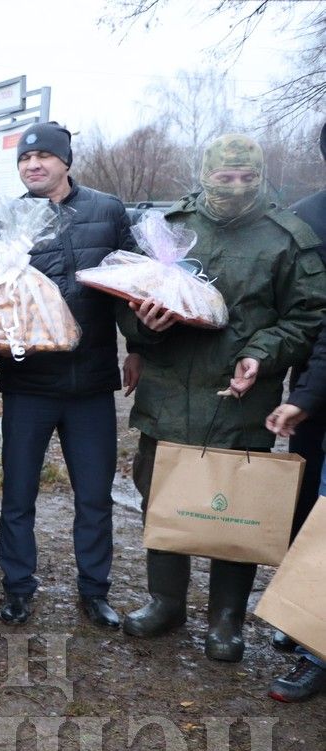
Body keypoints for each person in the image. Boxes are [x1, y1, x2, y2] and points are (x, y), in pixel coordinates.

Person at [121, 133, 326, 663]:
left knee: (236, 508)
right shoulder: (170, 228)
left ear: (260, 178)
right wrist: (144, 326)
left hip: (242, 397)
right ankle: (165, 602)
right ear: (204, 174)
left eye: (246, 178)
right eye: (223, 177)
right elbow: (128, 299)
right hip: (168, 392)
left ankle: (226, 620)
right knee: (161, 496)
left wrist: (261, 353)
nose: (234, 187)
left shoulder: (288, 237)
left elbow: (307, 316)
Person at [0, 122, 135, 627]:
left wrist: (139, 345)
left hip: (91, 383)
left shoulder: (106, 211)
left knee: (95, 495)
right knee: (18, 495)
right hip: (29, 384)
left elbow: (131, 285)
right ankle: (17, 587)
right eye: (25, 159)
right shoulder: (8, 219)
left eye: (44, 157)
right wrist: (4, 354)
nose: (33, 165)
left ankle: (94, 590)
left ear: (66, 161)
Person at [273, 120, 326, 657]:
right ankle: (303, 621)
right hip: (312, 389)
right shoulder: (307, 218)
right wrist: (304, 396)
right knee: (310, 506)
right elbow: (310, 315)